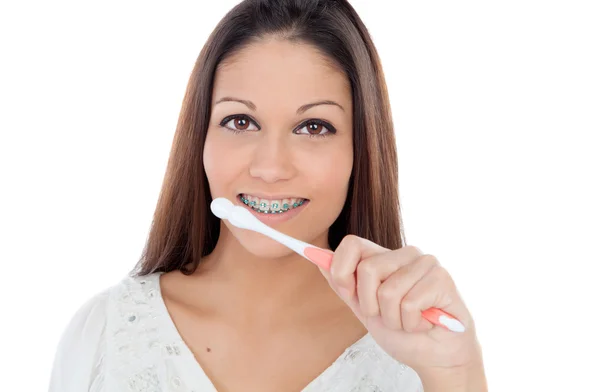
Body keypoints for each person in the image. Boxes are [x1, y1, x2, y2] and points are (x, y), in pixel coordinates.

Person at [49, 0, 487, 391]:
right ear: (199, 137)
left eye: (313, 127)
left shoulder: (417, 354)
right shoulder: (105, 336)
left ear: (361, 150)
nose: (270, 167)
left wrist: (456, 373)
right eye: (240, 122)